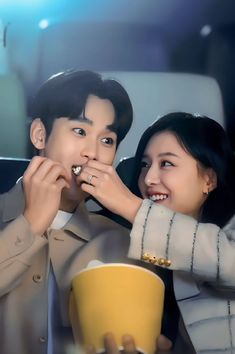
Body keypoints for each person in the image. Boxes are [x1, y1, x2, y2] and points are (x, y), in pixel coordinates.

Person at [0, 69, 134, 354]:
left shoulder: (120, 241)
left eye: (107, 140)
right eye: (80, 131)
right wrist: (32, 223)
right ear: (39, 134)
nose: (93, 153)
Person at [78, 112, 235, 353]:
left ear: (209, 180)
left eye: (166, 163)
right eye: (144, 164)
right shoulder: (132, 249)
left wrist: (130, 204)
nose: (149, 178)